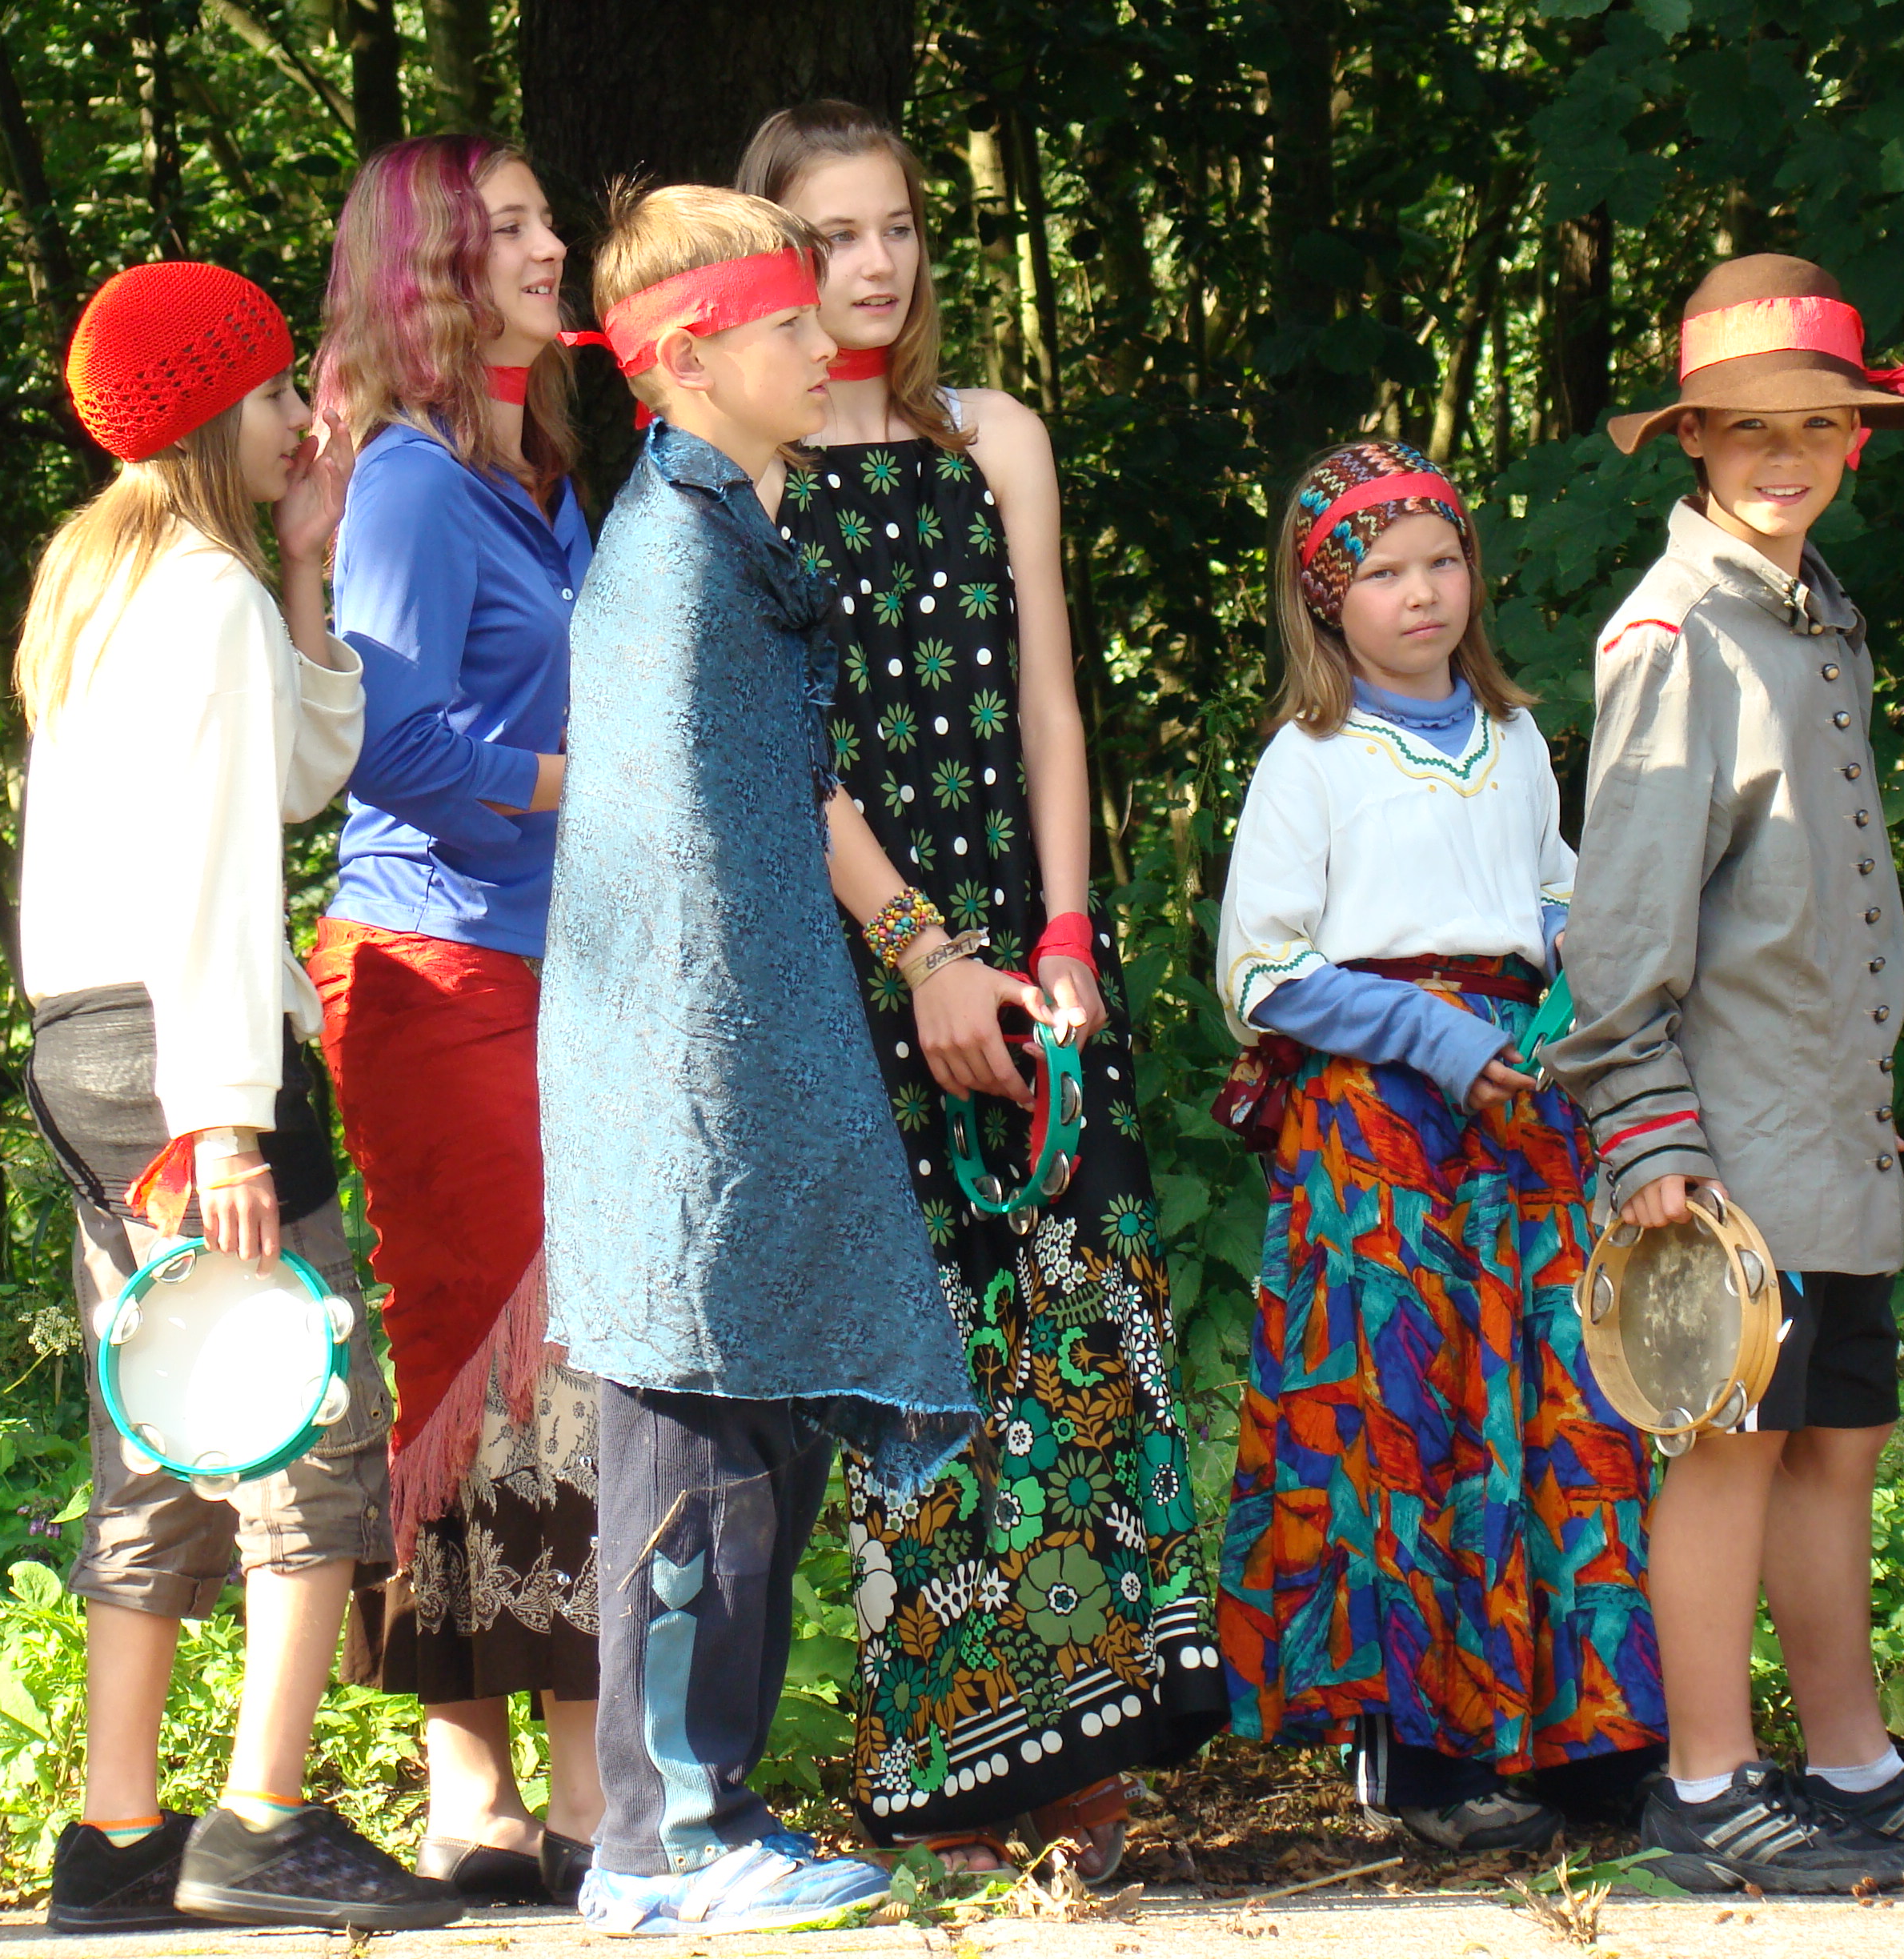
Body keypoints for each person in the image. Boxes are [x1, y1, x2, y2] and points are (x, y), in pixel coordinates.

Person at [734, 101, 1223, 1877]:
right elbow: (786, 759)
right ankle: (952, 1771)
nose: (873, 265)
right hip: (862, 958)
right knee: (919, 1358)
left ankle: (1089, 1746)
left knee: (1074, 1329)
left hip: (1027, 941)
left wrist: (1064, 940)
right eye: (831, 237)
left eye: (897, 228)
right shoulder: (750, 470)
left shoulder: (995, 436)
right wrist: (921, 953)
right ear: (770, 258)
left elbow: (1048, 706)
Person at [1549, 254, 1904, 1891]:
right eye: (1750, 427)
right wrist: (1644, 1130)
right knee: (1732, 1444)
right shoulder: (1676, 634)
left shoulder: (1815, 616)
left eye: (1816, 425)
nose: (1785, 455)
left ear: (1858, 438)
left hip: (1832, 1131)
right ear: (1694, 439)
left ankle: (1854, 1763)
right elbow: (1623, 921)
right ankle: (1705, 1785)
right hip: (1724, 1143)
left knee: (1840, 1442)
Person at [539, 182, 980, 1935]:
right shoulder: (673, 564)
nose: (826, 341)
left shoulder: (726, 530)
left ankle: (704, 1818)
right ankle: (661, 1847)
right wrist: (723, 1111)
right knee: (696, 1464)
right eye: (789, 322)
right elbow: (675, 870)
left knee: (753, 1451)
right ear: (690, 359)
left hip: (734, 1075)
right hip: (686, 1088)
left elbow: (775, 814)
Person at [19, 262, 455, 1933]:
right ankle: (263, 1816)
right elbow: (216, 867)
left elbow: (298, 771)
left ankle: (118, 1834)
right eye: (275, 392)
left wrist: (307, 567)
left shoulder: (112, 574)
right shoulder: (195, 595)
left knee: (160, 1431)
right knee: (305, 1419)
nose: (300, 418)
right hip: (190, 1050)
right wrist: (226, 1118)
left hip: (91, 1049)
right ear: (212, 412)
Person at [1210, 439, 1666, 1853]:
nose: (1422, 594)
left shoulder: (1516, 738)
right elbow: (1261, 971)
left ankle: (1586, 1736)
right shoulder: (1309, 759)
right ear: (1325, 600)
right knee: (1397, 1412)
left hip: (1525, 1106)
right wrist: (1433, 1037)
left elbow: (1552, 894)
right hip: (1376, 1117)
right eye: (1383, 573)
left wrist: (1575, 976)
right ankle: (1417, 1754)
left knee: (1558, 1393)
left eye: (1444, 561)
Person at [305, 134, 600, 1906]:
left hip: (568, 966)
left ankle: (559, 1779)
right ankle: (479, 1778)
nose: (553, 247)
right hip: (435, 973)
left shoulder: (541, 479)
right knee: (494, 1361)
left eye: (545, 219)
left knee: (564, 1356)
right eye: (509, 228)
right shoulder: (411, 483)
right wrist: (592, 778)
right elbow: (391, 743)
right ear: (429, 270)